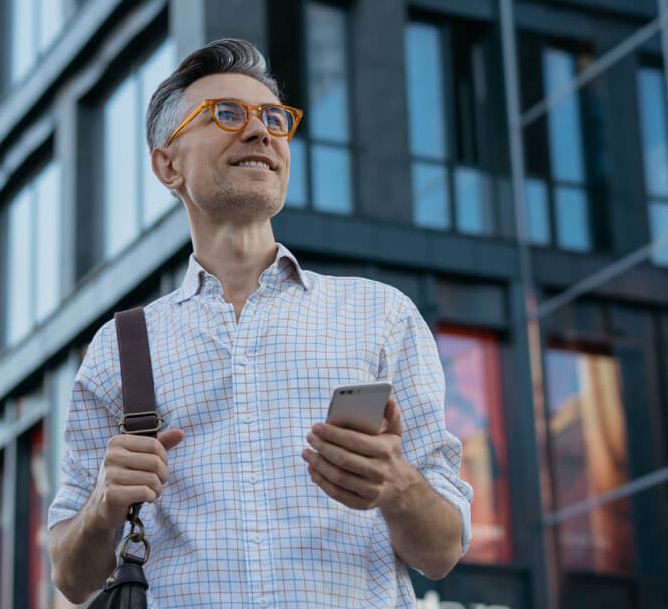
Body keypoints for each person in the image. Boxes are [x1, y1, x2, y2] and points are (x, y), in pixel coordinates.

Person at [47, 38, 473, 607]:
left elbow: (442, 551)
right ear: (167, 164)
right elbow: (70, 578)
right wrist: (105, 501)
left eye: (274, 118)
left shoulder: (381, 316)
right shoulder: (122, 346)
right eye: (227, 114)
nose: (260, 132)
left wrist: (397, 486)